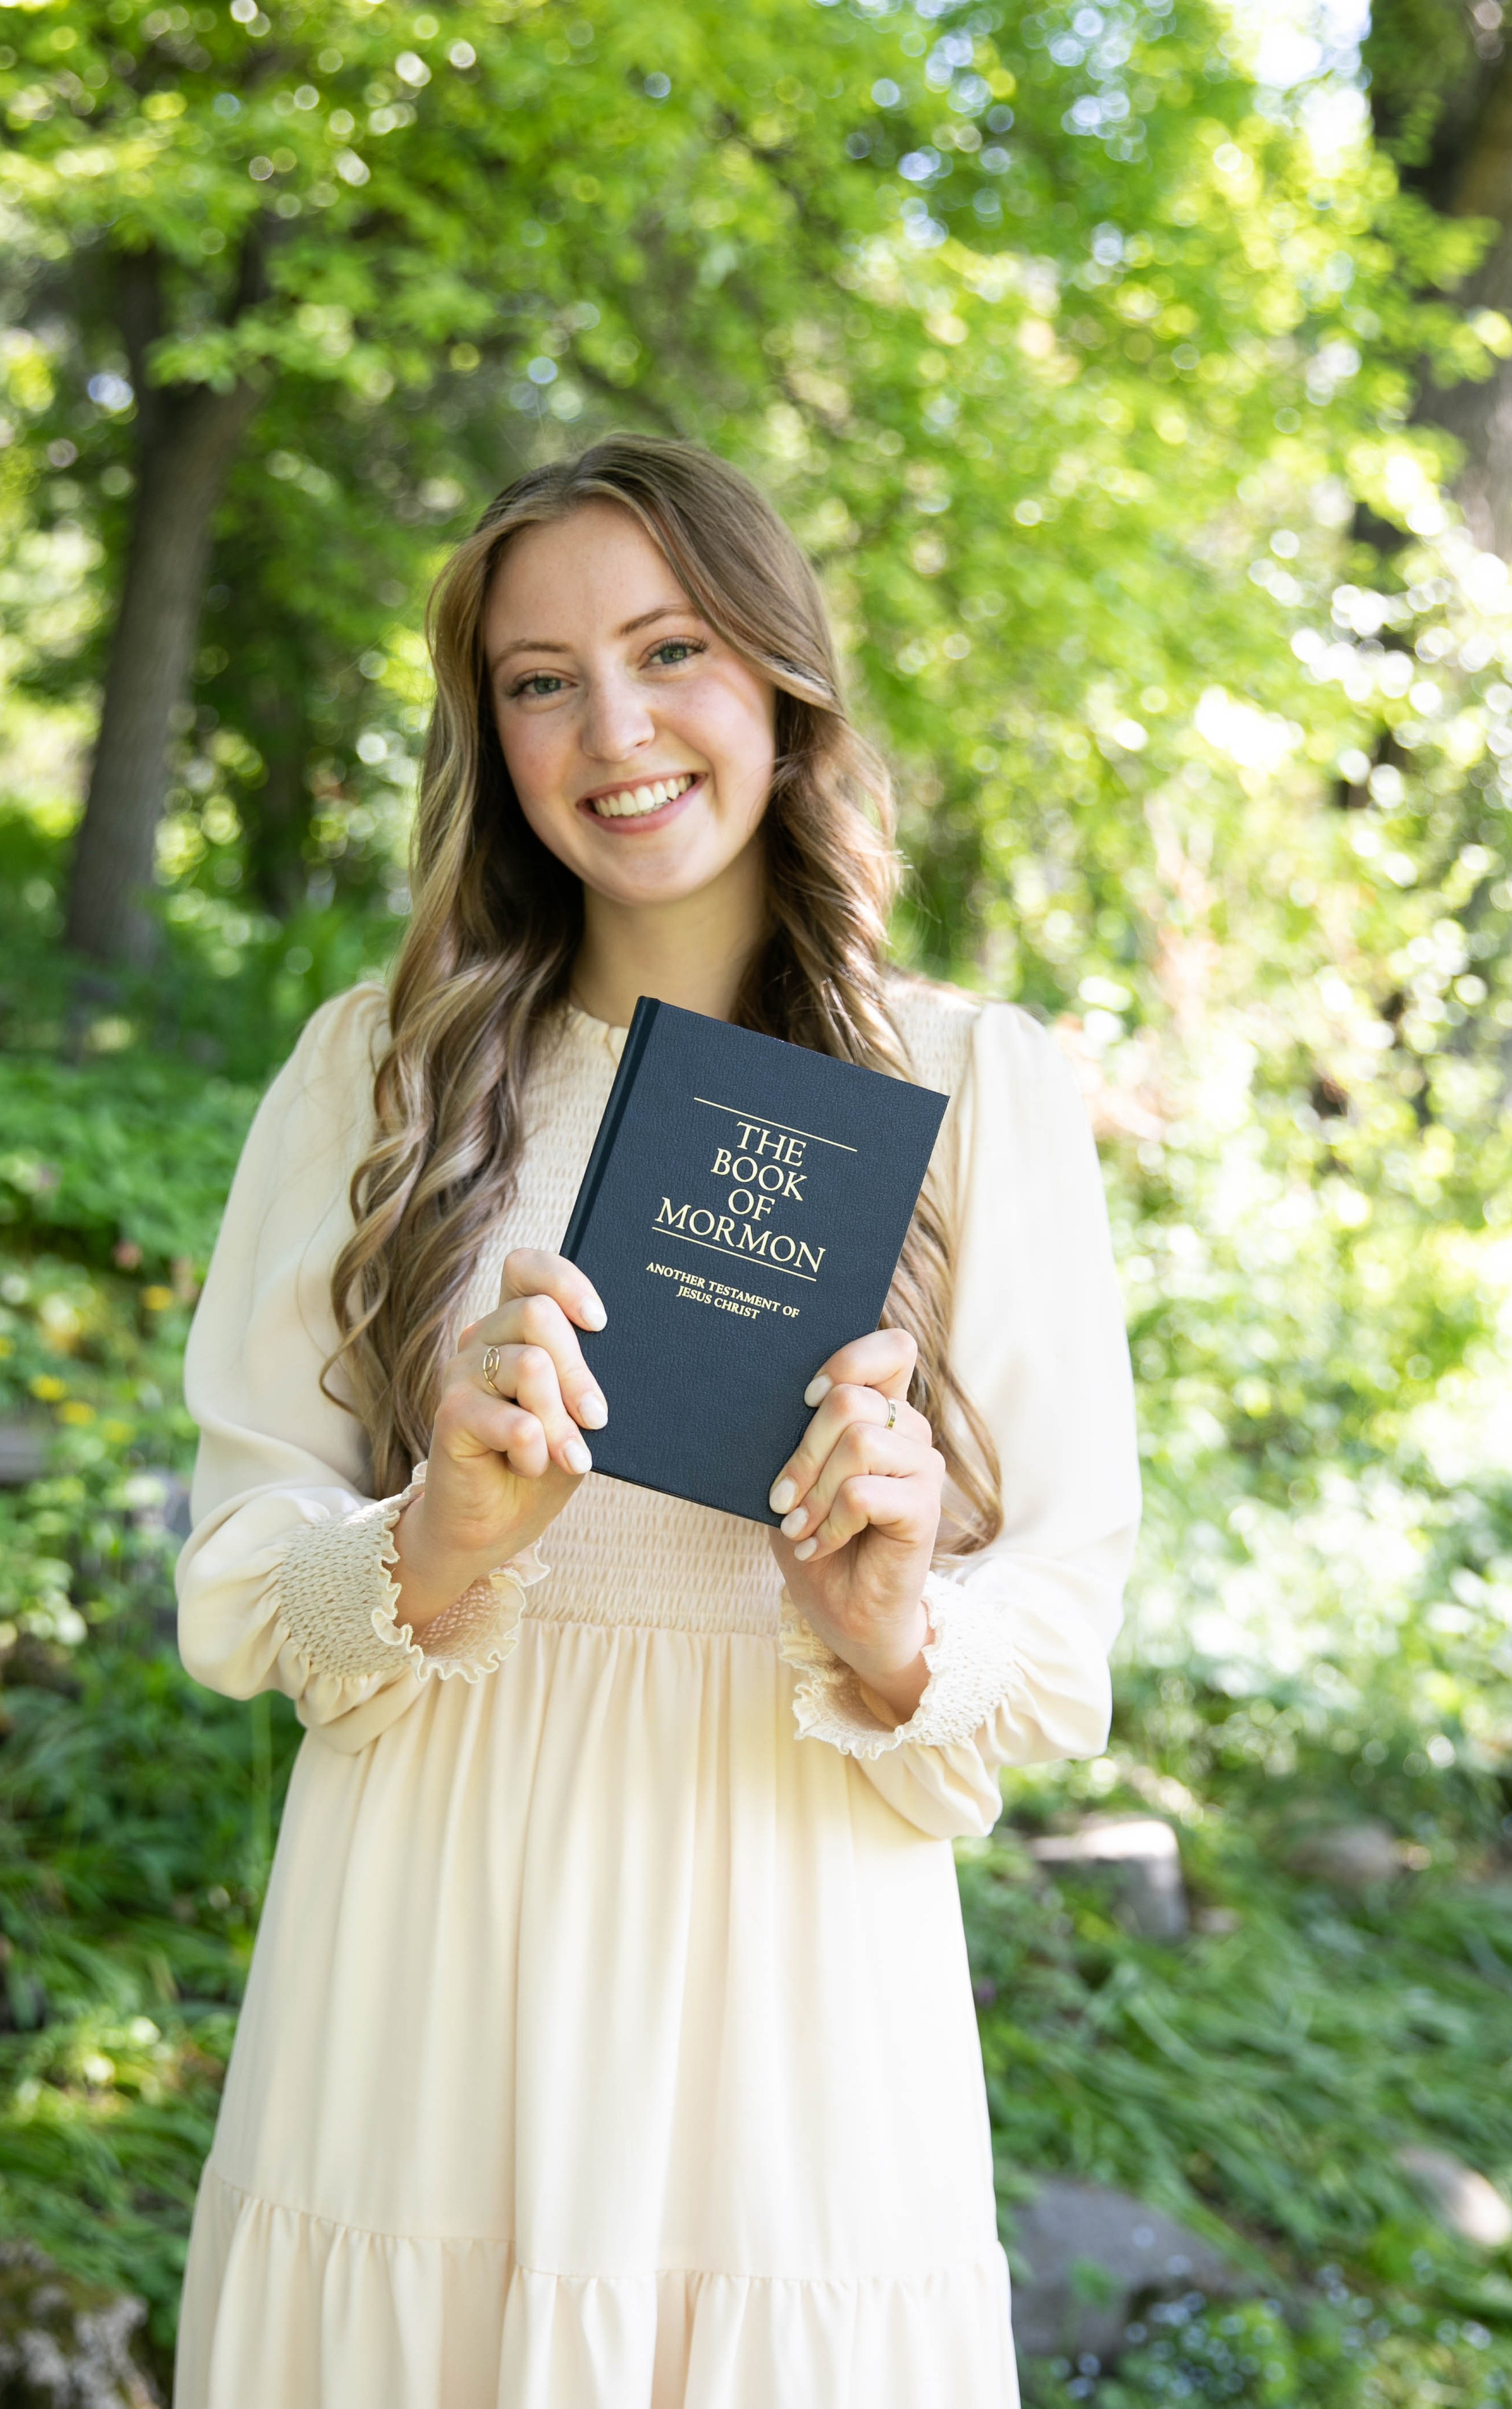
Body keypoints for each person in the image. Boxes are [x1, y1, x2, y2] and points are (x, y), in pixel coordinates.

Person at [171, 434, 1139, 2408]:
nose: (612, 725)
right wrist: (428, 1539)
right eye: (539, 679)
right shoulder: (380, 1073)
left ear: (783, 679)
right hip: (425, 1975)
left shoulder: (976, 1085)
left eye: (670, 646)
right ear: (491, 733)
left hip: (787, 2017)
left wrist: (894, 1625)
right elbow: (240, 1552)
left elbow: (1063, 1618)